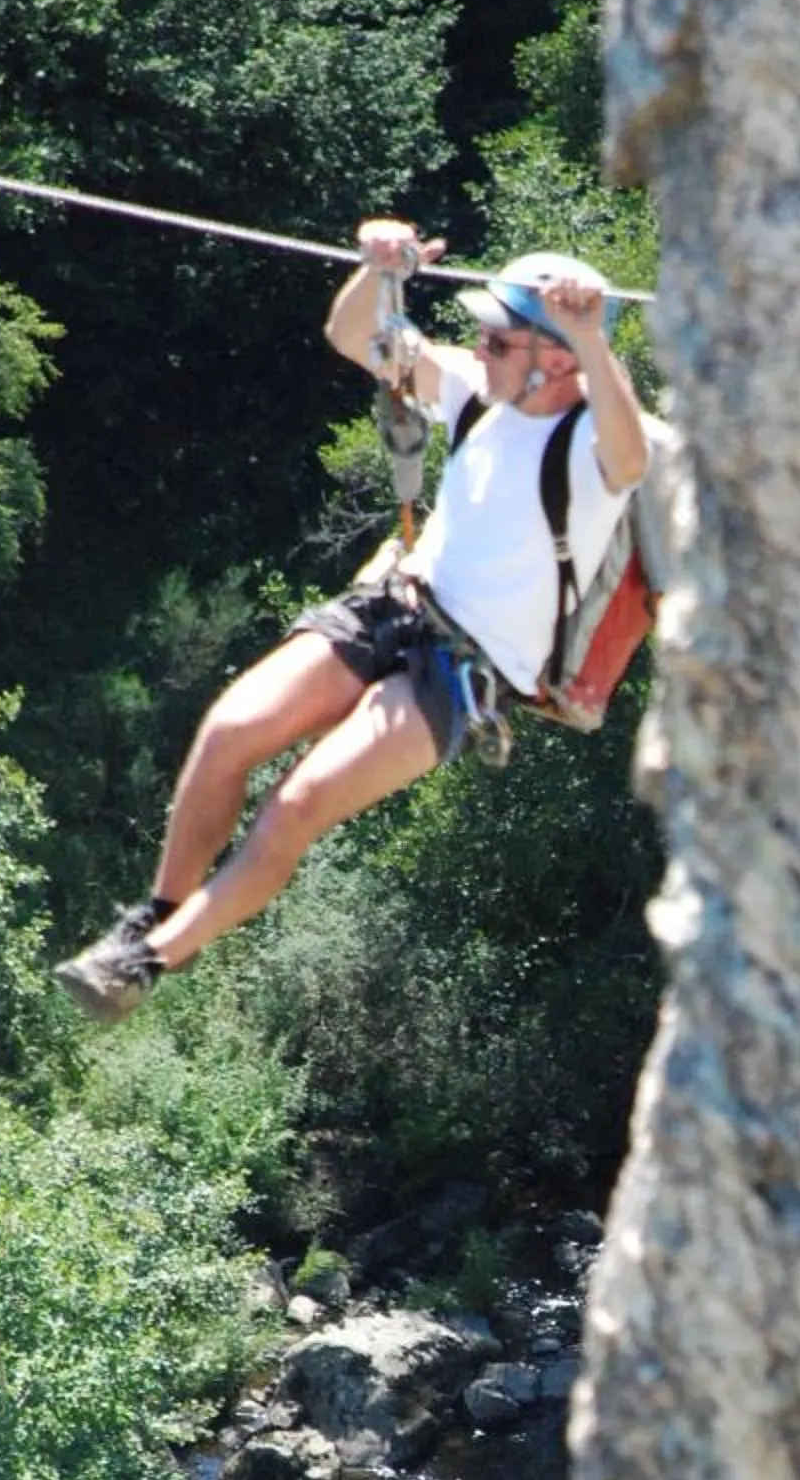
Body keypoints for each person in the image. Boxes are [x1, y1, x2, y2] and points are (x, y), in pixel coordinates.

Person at [52, 218, 650, 1022]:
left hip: (460, 671)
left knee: (295, 807)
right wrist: (379, 271)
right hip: (395, 606)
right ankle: (160, 919)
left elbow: (632, 455)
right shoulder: (478, 392)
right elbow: (350, 334)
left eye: (499, 341)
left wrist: (590, 334)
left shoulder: (588, 446)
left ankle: (144, 966)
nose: (478, 348)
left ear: (557, 361)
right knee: (229, 732)